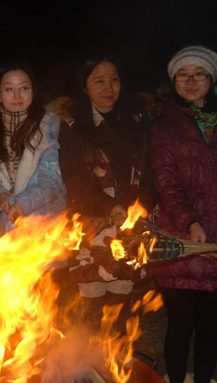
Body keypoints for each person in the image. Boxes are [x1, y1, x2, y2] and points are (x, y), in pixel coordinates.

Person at [149, 46, 217, 383]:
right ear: (173, 81)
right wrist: (190, 222)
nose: (191, 81)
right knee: (180, 322)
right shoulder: (163, 126)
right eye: (182, 75)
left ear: (212, 78)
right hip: (178, 239)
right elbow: (166, 182)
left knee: (211, 322)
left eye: (199, 74)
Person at [57, 50, 157, 331]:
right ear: (83, 85)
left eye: (114, 79)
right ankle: (88, 357)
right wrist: (107, 206)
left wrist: (143, 204)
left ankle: (116, 355)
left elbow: (153, 171)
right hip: (92, 224)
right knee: (91, 309)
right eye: (98, 81)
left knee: (119, 307)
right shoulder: (73, 124)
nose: (108, 88)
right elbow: (74, 177)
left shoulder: (138, 119)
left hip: (130, 226)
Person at [0, 60, 66, 235]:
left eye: (23, 88)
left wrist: (22, 202)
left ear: (33, 91)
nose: (17, 95)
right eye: (9, 89)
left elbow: (52, 181)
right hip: (9, 224)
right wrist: (1, 196)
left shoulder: (47, 127)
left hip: (45, 224)